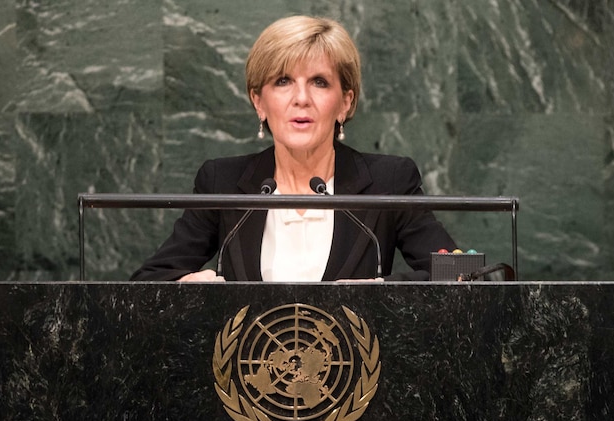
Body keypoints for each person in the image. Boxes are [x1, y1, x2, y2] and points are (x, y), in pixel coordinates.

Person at [131, 15, 456, 282]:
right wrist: (184, 289)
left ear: (345, 102)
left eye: (319, 82)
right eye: (283, 81)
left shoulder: (389, 182)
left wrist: (381, 293)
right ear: (259, 101)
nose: (301, 98)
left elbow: (460, 277)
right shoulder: (222, 182)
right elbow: (146, 284)